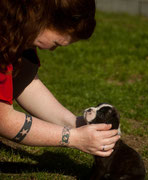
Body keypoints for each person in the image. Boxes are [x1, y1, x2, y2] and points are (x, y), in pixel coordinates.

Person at [0, 0, 120, 158]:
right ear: (43, 18)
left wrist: (74, 124)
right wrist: (73, 138)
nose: (52, 50)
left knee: (26, 62)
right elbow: (3, 119)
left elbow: (24, 84)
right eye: (56, 43)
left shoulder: (18, 30)